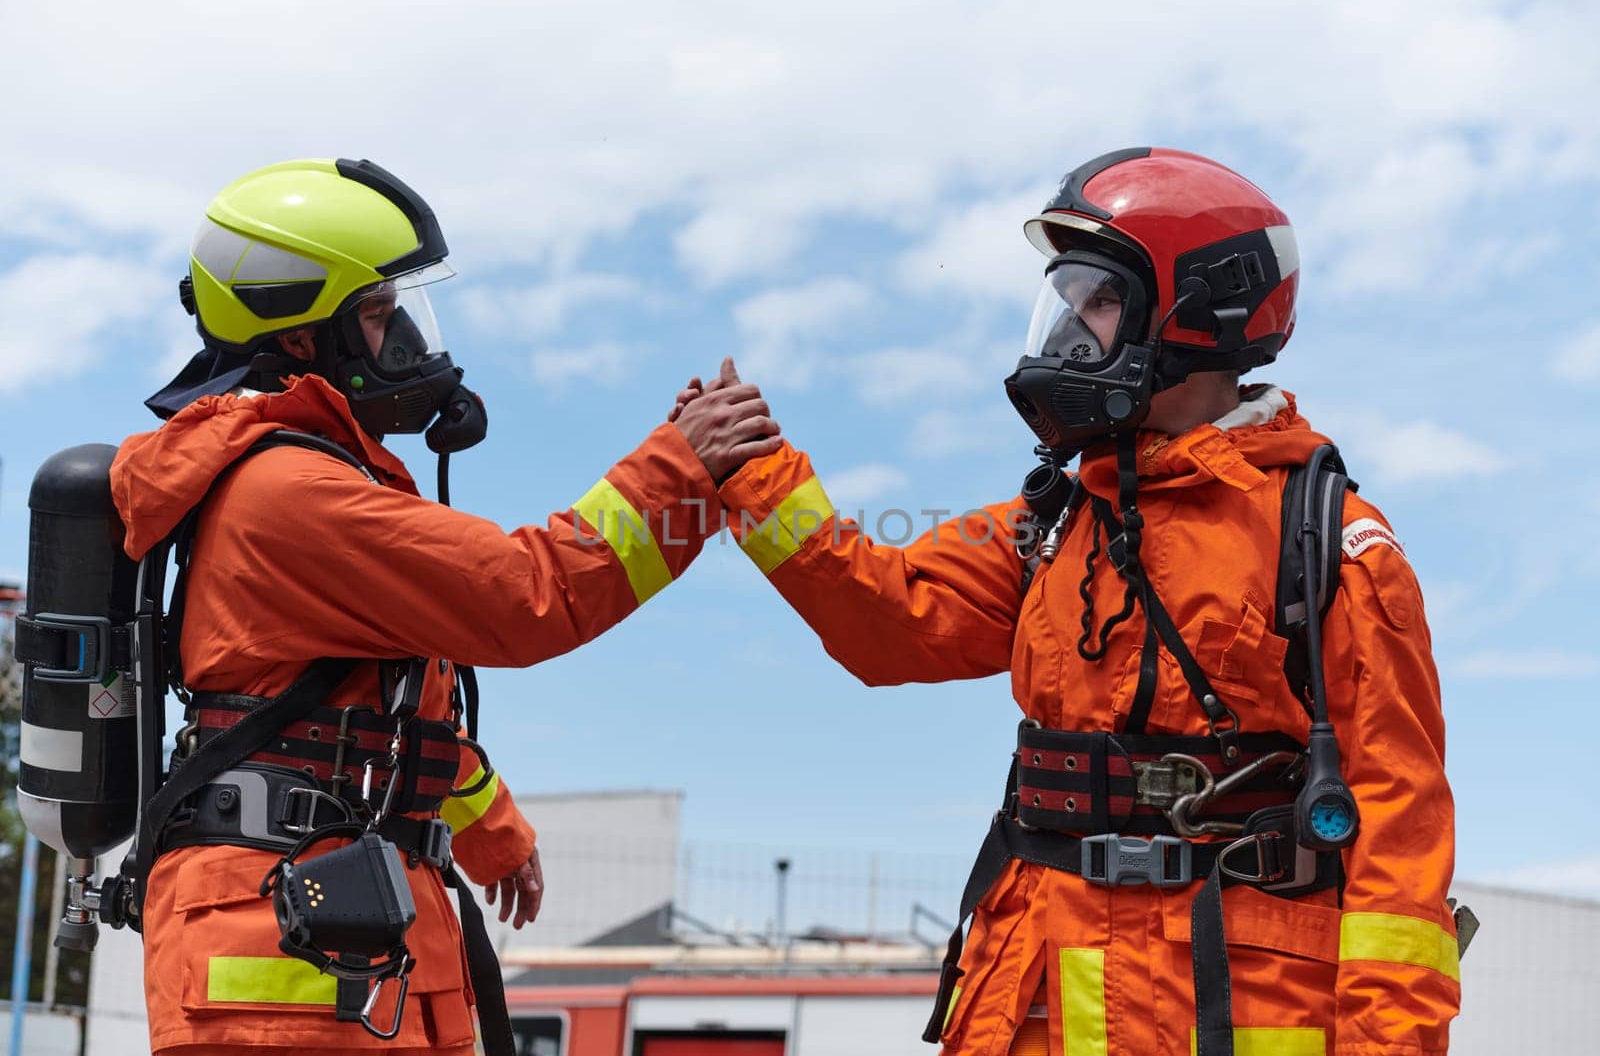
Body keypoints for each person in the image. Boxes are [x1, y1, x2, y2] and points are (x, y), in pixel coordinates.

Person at [693, 148, 1459, 1055]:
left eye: (1099, 300)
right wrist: (758, 479)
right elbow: (890, 622)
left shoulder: (1332, 542)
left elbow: (1399, 856)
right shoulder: (1055, 520)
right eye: (1066, 299)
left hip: (1225, 1011)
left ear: (1198, 313)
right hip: (1034, 1001)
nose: (1068, 330)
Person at [112, 157, 780, 1056]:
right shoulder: (292, 492)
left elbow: (378, 714)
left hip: (337, 920)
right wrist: (679, 469)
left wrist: (487, 827)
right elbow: (523, 595)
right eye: (382, 317)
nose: (409, 346)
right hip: (285, 958)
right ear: (305, 338)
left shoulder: (313, 477)